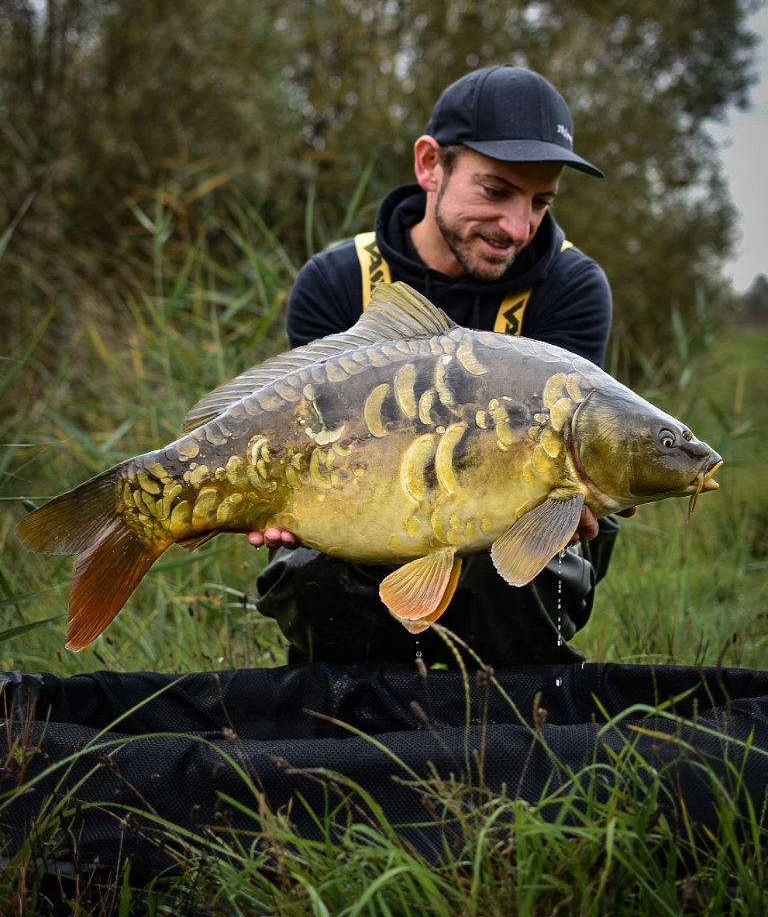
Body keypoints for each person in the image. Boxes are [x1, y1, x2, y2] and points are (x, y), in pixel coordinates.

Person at [249, 64, 631, 667]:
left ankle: (506, 712)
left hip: (506, 535)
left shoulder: (571, 285)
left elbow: (569, 463)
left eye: (541, 201)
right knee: (311, 570)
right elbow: (303, 443)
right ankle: (350, 704)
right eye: (496, 191)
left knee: (530, 563)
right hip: (363, 514)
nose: (518, 227)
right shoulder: (338, 280)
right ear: (430, 165)